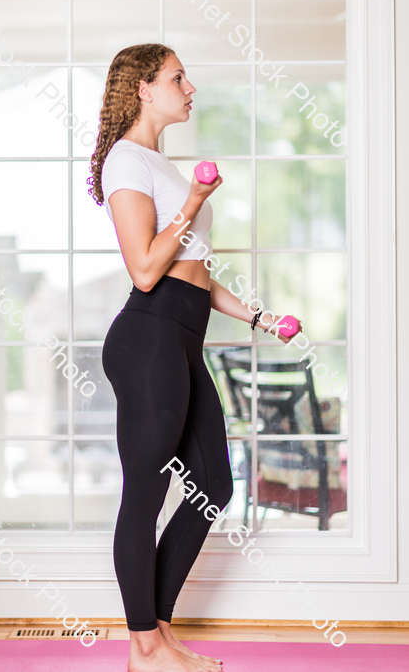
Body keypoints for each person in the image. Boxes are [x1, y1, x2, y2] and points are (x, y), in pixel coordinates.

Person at [87, 43, 302, 672]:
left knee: (213, 485)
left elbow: (195, 277)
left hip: (180, 339)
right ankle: (143, 649)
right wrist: (194, 203)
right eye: (178, 78)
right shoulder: (127, 162)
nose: (191, 87)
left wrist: (261, 318)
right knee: (145, 494)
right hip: (147, 340)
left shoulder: (157, 163)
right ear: (143, 89)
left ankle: (159, 631)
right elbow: (147, 269)